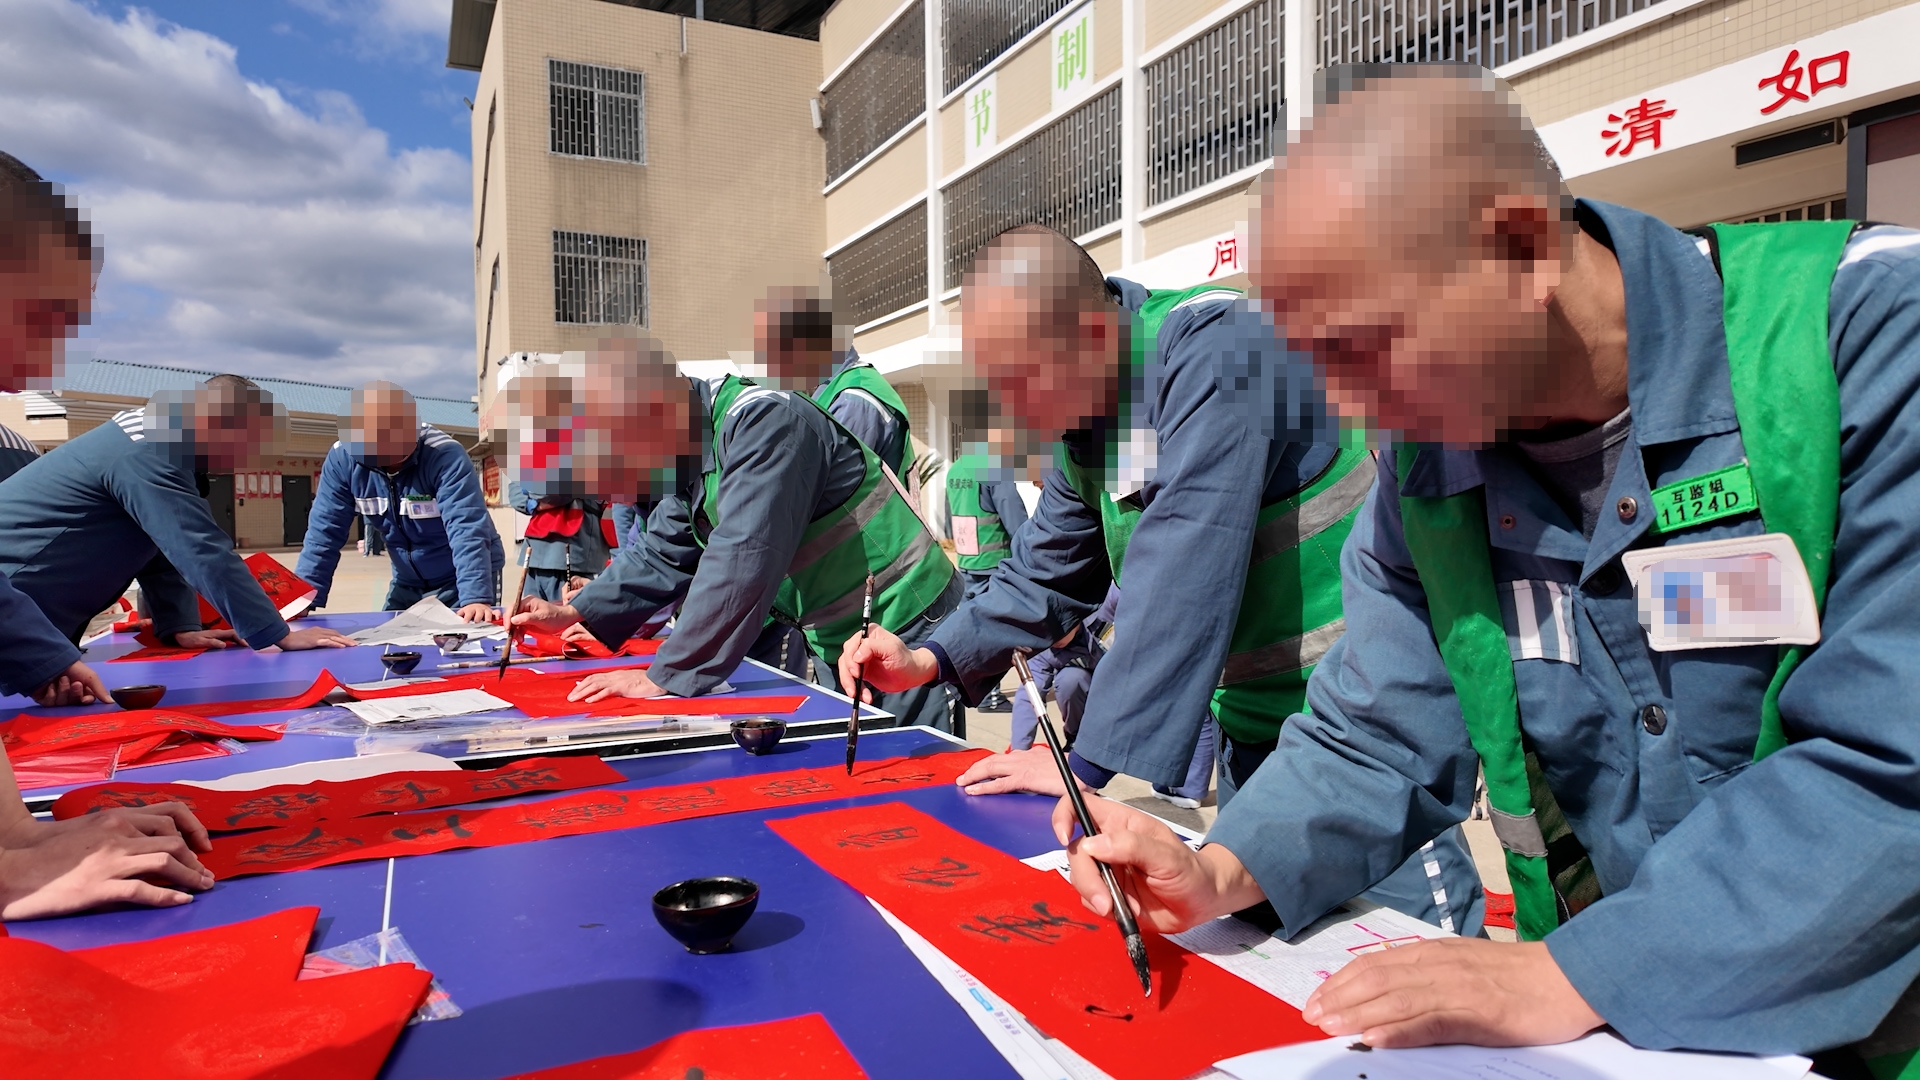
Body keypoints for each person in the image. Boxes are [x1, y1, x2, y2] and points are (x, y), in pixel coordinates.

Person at [1044, 65, 1920, 1073]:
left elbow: (1891, 766)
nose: (1351, 407)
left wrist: (1579, 975)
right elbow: (1379, 727)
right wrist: (1222, 870)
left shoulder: (1866, 340)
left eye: (1363, 348)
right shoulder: (1432, 466)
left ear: (1522, 247)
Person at [840, 224, 1482, 934]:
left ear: (1092, 334)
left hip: (1366, 733)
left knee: (1416, 960)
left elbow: (1185, 565)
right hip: (1257, 737)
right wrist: (927, 657)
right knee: (1280, 962)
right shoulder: (1089, 422)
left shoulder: (1221, 349)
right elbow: (1046, 569)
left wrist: (1084, 766)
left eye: (1020, 380)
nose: (1012, 411)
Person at [509, 336, 961, 730]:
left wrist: (665, 674)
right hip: (840, 635)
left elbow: (745, 553)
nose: (615, 493)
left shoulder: (765, 423)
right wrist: (576, 612)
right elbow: (660, 553)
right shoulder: (693, 455)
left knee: (913, 770)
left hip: (905, 620)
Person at [0, 377, 353, 653]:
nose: (244, 460)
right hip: (16, 597)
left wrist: (179, 624)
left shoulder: (157, 438)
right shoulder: (152, 448)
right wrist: (277, 633)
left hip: (31, 609)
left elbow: (157, 545)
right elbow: (199, 549)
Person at [297, 381, 503, 620]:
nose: (390, 465)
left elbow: (465, 527)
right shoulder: (343, 460)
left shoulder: (444, 455)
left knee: (462, 637)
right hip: (407, 579)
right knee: (390, 636)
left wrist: (475, 597)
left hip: (461, 577)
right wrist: (301, 599)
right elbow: (324, 531)